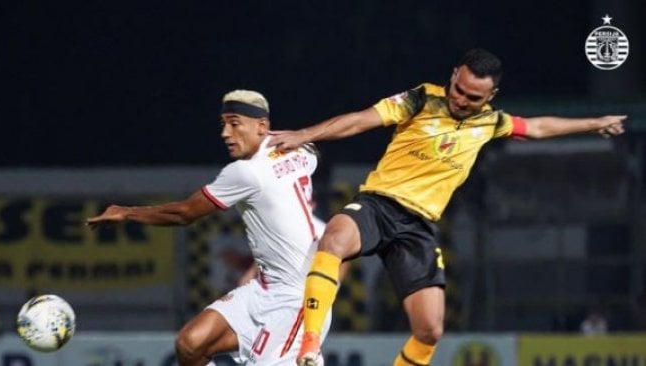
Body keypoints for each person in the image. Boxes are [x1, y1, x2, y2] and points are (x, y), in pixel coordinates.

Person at [267, 48, 627, 366]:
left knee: (429, 331)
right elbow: (362, 119)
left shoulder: (491, 122)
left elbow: (536, 127)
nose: (462, 100)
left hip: (419, 226)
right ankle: (310, 348)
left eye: (474, 97)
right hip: (379, 204)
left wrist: (594, 123)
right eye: (459, 89)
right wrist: (303, 135)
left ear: (491, 96)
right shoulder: (421, 99)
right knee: (334, 237)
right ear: (454, 75)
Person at [87, 90, 332, 366]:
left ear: (261, 127)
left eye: (234, 123)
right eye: (223, 124)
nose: (225, 133)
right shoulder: (298, 147)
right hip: (263, 288)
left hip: (296, 301)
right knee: (191, 344)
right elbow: (316, 154)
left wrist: (127, 212)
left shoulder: (246, 172)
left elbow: (184, 214)